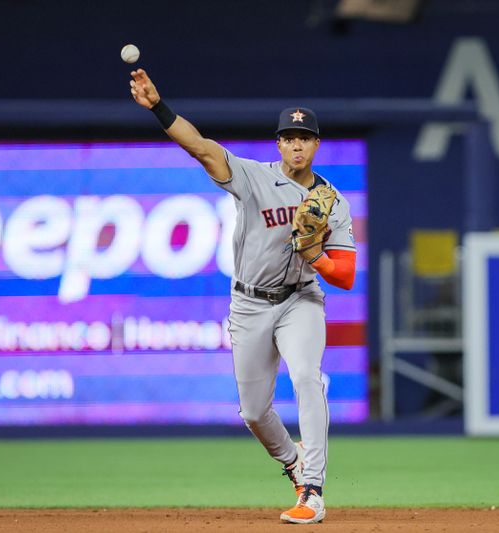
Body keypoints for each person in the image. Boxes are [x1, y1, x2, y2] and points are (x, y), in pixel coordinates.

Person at [129, 69, 357, 524]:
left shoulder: (332, 200)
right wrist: (159, 107)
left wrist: (316, 256)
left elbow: (346, 276)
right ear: (278, 145)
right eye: (288, 137)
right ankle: (292, 463)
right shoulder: (252, 177)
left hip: (300, 300)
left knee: (308, 378)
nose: (296, 145)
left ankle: (312, 489)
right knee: (254, 412)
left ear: (316, 145)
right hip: (250, 304)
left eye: (304, 138)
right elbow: (199, 147)